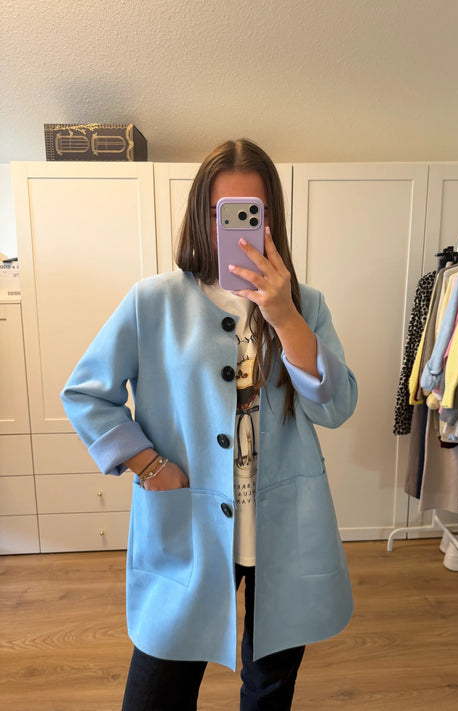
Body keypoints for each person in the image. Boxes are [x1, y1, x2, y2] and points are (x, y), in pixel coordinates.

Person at [61, 138, 357, 711]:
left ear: (271, 217)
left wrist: (284, 315)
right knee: (157, 692)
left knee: (270, 689)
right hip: (190, 522)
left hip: (284, 525)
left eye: (253, 212)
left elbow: (335, 406)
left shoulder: (306, 304)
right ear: (203, 215)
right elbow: (87, 394)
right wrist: (150, 466)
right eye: (226, 213)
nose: (240, 229)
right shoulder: (153, 302)